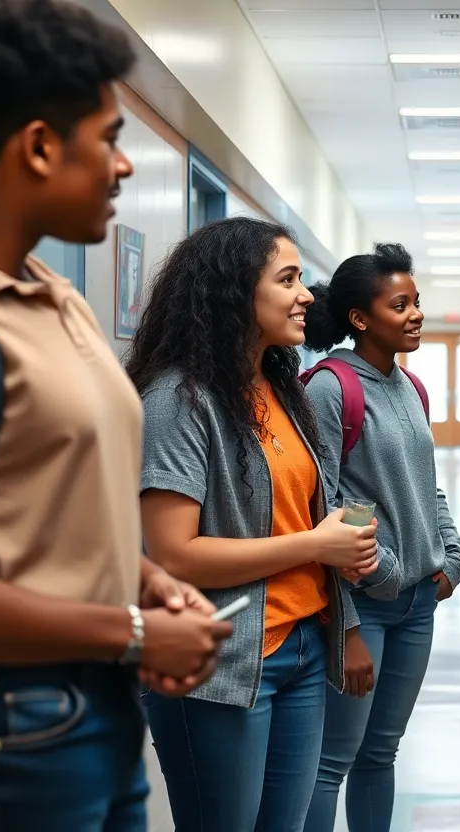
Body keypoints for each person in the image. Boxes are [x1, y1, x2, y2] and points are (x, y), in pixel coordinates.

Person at [0, 2, 230, 830]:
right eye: (110, 138)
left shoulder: (58, 301)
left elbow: (53, 506)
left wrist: (149, 584)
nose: (124, 168)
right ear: (39, 146)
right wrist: (131, 630)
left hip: (96, 708)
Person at [126, 217, 377, 832]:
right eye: (287, 279)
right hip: (222, 658)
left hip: (301, 648)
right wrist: (317, 543)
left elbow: (296, 510)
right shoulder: (177, 399)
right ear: (237, 291)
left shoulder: (281, 386)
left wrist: (338, 548)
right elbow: (175, 553)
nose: (307, 295)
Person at [301, 243, 460, 832]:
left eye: (417, 301)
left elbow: (427, 486)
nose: (416, 313)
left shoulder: (412, 388)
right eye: (401, 304)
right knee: (331, 761)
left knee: (381, 752)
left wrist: (452, 556)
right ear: (359, 318)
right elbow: (325, 507)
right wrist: (348, 627)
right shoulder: (330, 388)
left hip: (418, 603)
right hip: (361, 607)